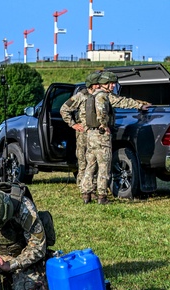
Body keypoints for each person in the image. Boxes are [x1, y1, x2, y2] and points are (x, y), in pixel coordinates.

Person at [79, 71, 151, 204]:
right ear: (104, 84)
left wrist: (138, 104)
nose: (113, 86)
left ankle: (86, 194)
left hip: (91, 135)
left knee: (90, 166)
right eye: (110, 83)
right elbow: (106, 109)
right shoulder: (102, 96)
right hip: (101, 136)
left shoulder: (91, 96)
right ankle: (102, 196)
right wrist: (104, 125)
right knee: (104, 166)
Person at [60, 71, 100, 202]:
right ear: (92, 84)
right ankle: (84, 189)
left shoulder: (100, 96)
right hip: (83, 134)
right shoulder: (81, 96)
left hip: (95, 133)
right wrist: (73, 124)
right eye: (97, 83)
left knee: (94, 163)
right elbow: (64, 109)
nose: (100, 86)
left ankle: (92, 189)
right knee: (83, 162)